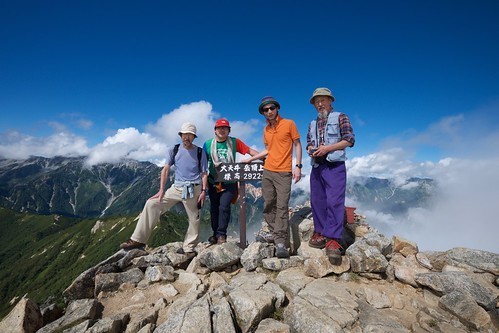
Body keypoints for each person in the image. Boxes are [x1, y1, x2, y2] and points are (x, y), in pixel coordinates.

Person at [120, 122, 208, 259]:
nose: (187, 138)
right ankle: (138, 239)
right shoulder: (174, 149)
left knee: (194, 219)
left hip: (193, 189)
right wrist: (161, 190)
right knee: (151, 204)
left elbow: (204, 173)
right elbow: (165, 169)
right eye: (185, 134)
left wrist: (203, 191)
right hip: (176, 188)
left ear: (194, 137)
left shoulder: (200, 152)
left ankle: (189, 247)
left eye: (190, 135)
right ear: (181, 135)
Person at [244, 96, 302, 258]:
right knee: (269, 204)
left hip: (284, 172)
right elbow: (268, 150)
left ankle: (281, 243)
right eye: (265, 109)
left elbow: (297, 144)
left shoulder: (289, 124)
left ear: (277, 109)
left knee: (282, 206)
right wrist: (251, 158)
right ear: (263, 113)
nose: (269, 111)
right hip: (268, 170)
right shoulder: (266, 130)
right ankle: (273, 232)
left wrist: (298, 166)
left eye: (272, 108)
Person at [306, 87, 355, 265]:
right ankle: (319, 231)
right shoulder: (312, 123)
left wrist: (328, 148)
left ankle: (333, 239)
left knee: (334, 200)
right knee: (317, 200)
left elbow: (349, 140)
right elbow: (309, 144)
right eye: (316, 101)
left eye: (323, 100)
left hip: (335, 165)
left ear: (330, 101)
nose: (320, 104)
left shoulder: (341, 117)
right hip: (317, 165)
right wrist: (312, 150)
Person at [203, 118, 259, 244]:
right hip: (213, 182)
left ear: (229, 130)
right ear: (215, 130)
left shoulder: (234, 142)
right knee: (214, 208)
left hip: (230, 182)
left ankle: (222, 235)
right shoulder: (207, 144)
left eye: (225, 128)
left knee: (224, 207)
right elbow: (202, 163)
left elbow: (249, 151)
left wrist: (262, 157)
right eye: (219, 128)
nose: (222, 130)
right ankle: (215, 234)